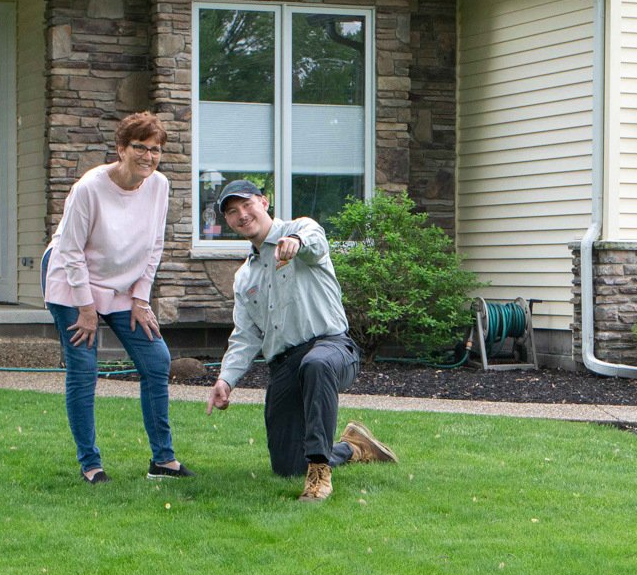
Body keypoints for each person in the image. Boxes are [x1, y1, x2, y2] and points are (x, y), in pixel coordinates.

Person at [205, 180, 397, 501]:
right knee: (287, 466)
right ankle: (352, 447)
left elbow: (315, 241)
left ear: (264, 202)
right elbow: (246, 335)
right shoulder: (245, 277)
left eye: (247, 205)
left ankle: (320, 472)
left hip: (332, 347)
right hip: (284, 366)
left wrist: (295, 241)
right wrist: (226, 379)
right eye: (232, 212)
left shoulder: (299, 229)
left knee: (316, 364)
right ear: (228, 222)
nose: (242, 215)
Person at [42, 111, 193, 485]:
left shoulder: (159, 185)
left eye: (155, 149)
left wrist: (141, 299)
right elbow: (71, 252)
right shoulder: (89, 188)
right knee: (84, 368)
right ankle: (90, 464)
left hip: (123, 285)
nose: (148, 156)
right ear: (121, 149)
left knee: (156, 360)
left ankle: (163, 460)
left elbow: (155, 245)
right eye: (140, 147)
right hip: (72, 281)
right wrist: (86, 308)